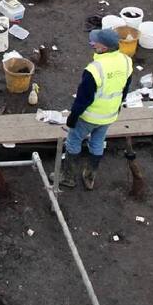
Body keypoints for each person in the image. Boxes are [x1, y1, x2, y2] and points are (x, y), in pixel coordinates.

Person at [61, 28, 134, 190]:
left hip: (89, 117)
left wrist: (73, 116)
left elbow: (83, 98)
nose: (92, 44)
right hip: (110, 115)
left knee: (73, 141)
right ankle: (89, 177)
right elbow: (125, 88)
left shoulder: (95, 69)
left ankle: (67, 177)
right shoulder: (126, 61)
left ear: (104, 48)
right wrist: (118, 106)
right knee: (97, 142)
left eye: (95, 43)